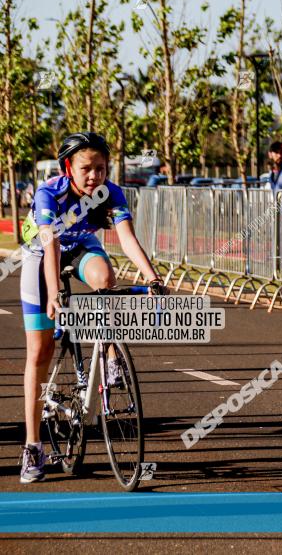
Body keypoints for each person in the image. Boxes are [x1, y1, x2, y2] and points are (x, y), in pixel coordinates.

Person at [18, 132, 165, 484]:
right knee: (39, 351)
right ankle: (34, 445)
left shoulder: (110, 193)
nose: (94, 176)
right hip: (41, 254)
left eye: (101, 168)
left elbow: (127, 237)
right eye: (86, 168)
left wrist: (152, 276)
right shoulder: (48, 193)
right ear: (67, 167)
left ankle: (111, 355)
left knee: (105, 279)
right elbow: (50, 245)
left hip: (81, 244)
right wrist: (54, 294)